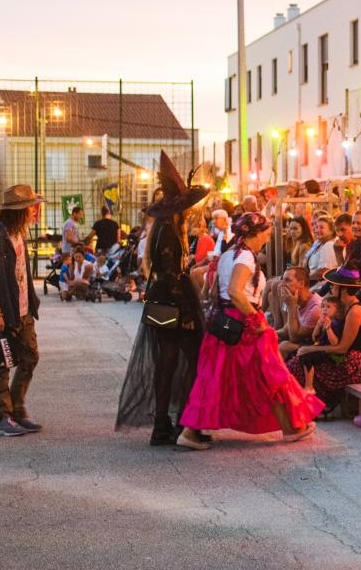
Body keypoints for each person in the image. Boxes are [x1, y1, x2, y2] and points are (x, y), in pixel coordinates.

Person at [178, 212, 322, 450]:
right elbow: (235, 291)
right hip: (244, 324)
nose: (267, 237)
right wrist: (256, 319)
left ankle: (290, 427)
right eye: (266, 233)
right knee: (270, 373)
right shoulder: (245, 257)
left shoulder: (227, 255)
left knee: (222, 376)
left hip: (225, 323)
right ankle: (291, 427)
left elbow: (213, 293)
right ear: (255, 233)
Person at [116, 152, 208, 446]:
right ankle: (182, 421)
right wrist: (188, 314)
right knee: (188, 359)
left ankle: (164, 424)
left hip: (160, 301)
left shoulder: (166, 229)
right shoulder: (169, 230)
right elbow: (171, 275)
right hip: (171, 301)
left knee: (167, 362)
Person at [0, 184, 44, 437]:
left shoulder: (19, 235)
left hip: (23, 310)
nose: (34, 212)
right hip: (1, 311)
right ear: (19, 211)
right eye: (30, 208)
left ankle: (16, 408)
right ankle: (1, 418)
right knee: (2, 362)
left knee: (30, 356)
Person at [285, 266, 361, 408]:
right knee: (294, 360)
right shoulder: (342, 306)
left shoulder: (355, 311)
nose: (330, 287)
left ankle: (313, 405)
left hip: (350, 363)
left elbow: (342, 348)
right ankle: (298, 404)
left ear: (343, 289)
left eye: (334, 285)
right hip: (336, 355)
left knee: (297, 366)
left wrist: (310, 350)